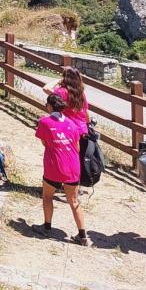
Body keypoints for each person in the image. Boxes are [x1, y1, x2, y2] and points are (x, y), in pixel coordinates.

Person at [35, 92, 90, 245]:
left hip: (54, 165)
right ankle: (82, 235)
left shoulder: (44, 122)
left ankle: (47, 227)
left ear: (49, 106)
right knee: (74, 201)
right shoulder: (72, 124)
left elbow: (44, 142)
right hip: (73, 167)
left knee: (47, 196)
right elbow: (77, 147)